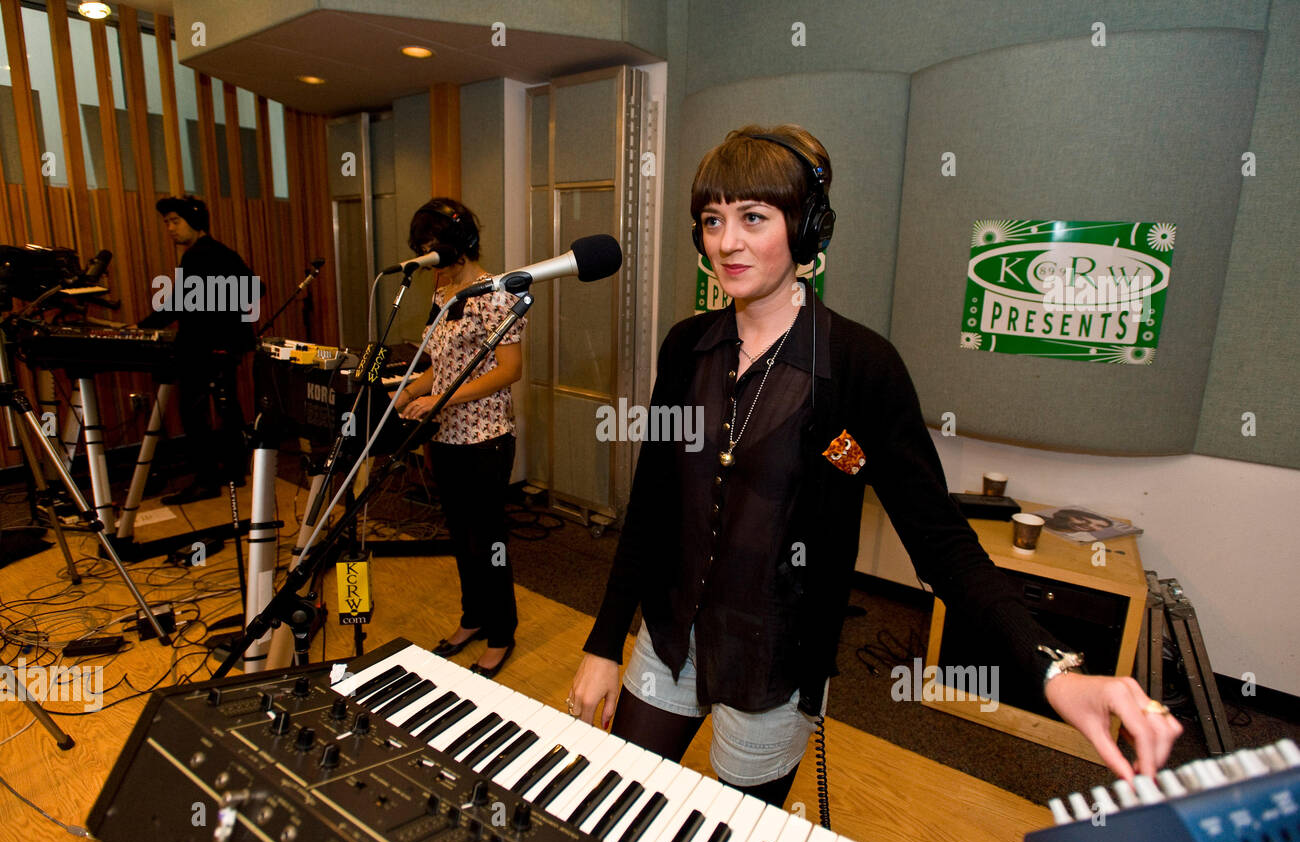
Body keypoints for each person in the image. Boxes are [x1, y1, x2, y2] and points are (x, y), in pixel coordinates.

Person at [568, 125, 1181, 806]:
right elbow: (651, 503)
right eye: (712, 220)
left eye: (753, 217)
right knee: (615, 807)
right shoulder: (687, 346)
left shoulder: (861, 367)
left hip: (776, 664)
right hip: (669, 636)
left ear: (807, 230)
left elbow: (940, 539)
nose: (727, 242)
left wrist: (1051, 668)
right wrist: (603, 643)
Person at [390, 198, 524, 677]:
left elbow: (510, 370)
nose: (428, 258)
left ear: (458, 244)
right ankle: (473, 617)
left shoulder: (498, 293)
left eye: (431, 248)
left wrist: (441, 398)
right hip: (446, 435)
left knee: (488, 538)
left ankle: (502, 632)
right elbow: (438, 369)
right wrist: (406, 390)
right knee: (461, 534)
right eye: (420, 249)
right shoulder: (441, 291)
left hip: (486, 437)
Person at [140, 196, 258, 504]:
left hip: (202, 347)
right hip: (227, 346)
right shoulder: (224, 253)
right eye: (166, 222)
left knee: (193, 413)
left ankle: (206, 480)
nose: (170, 228)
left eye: (175, 221)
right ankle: (234, 471)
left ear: (195, 221)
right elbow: (255, 289)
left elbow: (180, 301)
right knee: (226, 405)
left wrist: (143, 326)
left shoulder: (197, 256)